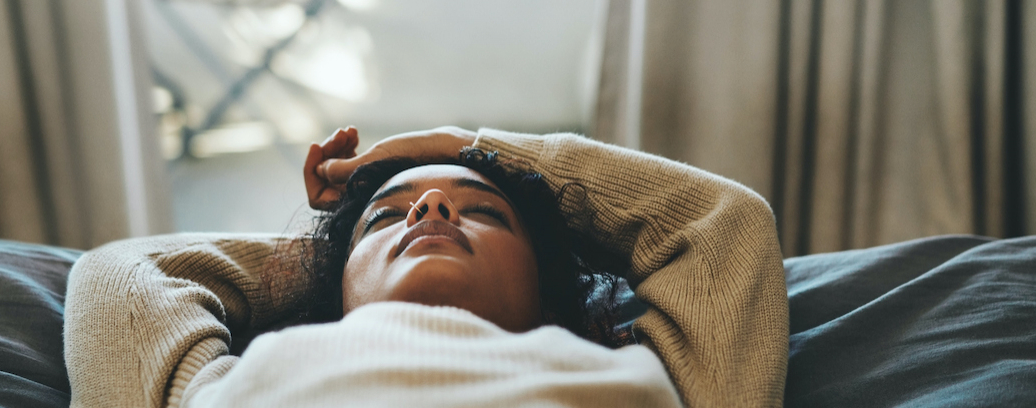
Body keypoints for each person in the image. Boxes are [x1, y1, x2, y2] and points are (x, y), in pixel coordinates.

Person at [64, 127, 788, 407]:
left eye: (483, 209)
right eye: (390, 214)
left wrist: (462, 143)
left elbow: (726, 225)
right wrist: (323, 251)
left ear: (547, 285)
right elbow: (121, 275)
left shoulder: (645, 373)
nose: (433, 206)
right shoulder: (242, 379)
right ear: (335, 286)